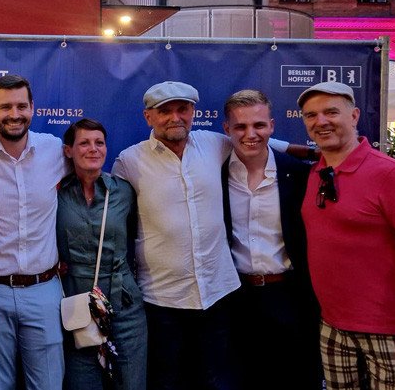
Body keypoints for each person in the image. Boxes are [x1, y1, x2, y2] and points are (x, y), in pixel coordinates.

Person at [112, 80, 306, 390]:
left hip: (219, 295)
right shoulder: (129, 161)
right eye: (165, 111)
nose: (175, 117)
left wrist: (312, 150)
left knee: (220, 380)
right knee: (169, 381)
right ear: (149, 117)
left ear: (193, 112)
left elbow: (257, 139)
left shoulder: (214, 143)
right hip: (162, 300)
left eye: (183, 109)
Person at [297, 81, 395, 390]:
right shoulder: (317, 173)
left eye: (330, 112)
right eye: (311, 115)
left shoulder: (391, 175)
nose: (320, 121)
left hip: (394, 334)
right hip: (333, 328)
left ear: (353, 116)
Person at [0, 74, 68, 390]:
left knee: (49, 384)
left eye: (22, 106)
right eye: (6, 107)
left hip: (44, 289)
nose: (15, 114)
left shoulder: (54, 150)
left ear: (33, 109)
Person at [220, 89, 321, 390]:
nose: (251, 134)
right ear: (227, 130)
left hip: (290, 297)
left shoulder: (298, 174)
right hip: (236, 299)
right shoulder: (213, 174)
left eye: (259, 125)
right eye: (240, 126)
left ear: (272, 126)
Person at [57, 118, 147, 389]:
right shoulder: (55, 194)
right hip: (77, 304)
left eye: (99, 143)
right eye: (84, 143)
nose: (93, 149)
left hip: (124, 303)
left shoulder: (124, 192)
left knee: (131, 382)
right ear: (68, 151)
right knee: (82, 382)